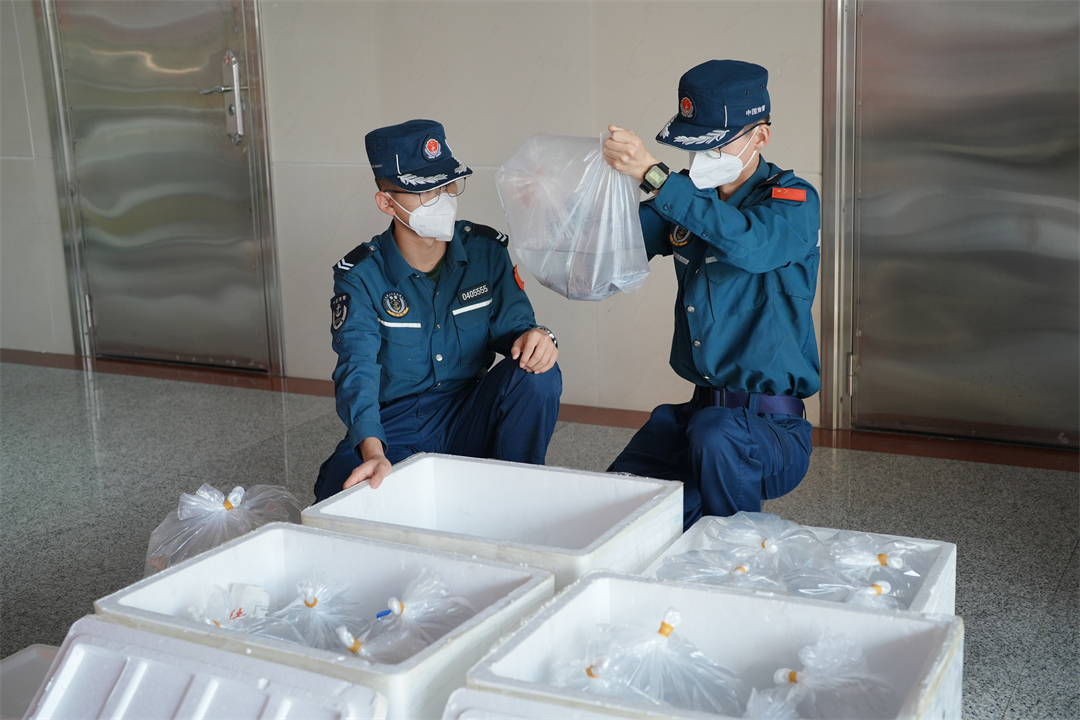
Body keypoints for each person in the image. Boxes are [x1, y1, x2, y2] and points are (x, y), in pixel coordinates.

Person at [601, 60, 820, 529]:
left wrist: (655, 175)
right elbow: (616, 241)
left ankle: (736, 556)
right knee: (616, 504)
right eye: (693, 145)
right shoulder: (686, 200)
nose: (702, 158)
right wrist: (563, 202)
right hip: (699, 417)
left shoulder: (793, 202)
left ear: (760, 136)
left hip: (771, 431)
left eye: (715, 145)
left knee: (717, 440)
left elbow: (748, 244)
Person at [314, 119, 562, 502]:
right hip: (396, 424)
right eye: (424, 190)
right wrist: (374, 451)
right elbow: (357, 369)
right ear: (387, 203)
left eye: (447, 185)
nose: (443, 198)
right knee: (345, 490)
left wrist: (539, 337)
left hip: (469, 412)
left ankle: (518, 495)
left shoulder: (485, 253)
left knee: (537, 373)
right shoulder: (362, 276)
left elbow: (517, 330)